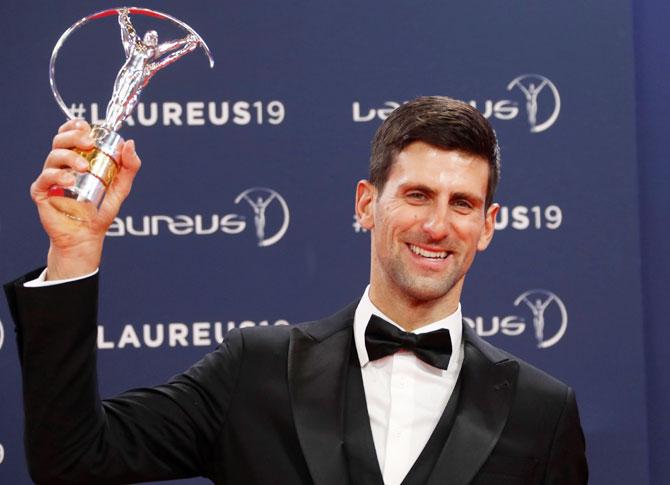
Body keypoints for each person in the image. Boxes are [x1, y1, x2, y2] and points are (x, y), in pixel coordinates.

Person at [4, 96, 588, 484]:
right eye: (416, 195)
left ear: (487, 226)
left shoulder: (542, 412)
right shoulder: (254, 371)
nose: (437, 225)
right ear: (367, 204)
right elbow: (72, 458)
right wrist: (74, 252)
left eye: (461, 203)